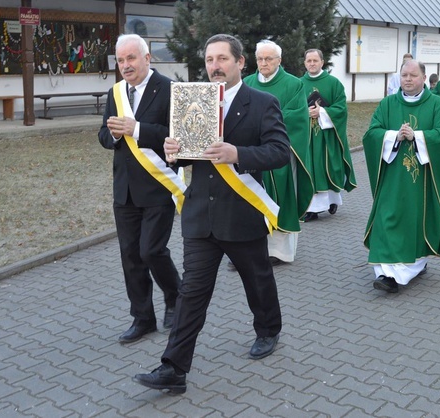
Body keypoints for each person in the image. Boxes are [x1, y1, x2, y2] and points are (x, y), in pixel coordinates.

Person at [134, 34, 291, 394]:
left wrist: (238, 153)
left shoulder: (262, 103)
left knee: (257, 279)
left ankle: (268, 329)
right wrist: (174, 150)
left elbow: (279, 152)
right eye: (209, 60)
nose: (215, 66)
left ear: (240, 63)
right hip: (201, 215)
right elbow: (190, 153)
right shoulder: (194, 100)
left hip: (241, 210)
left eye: (222, 58)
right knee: (192, 293)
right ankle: (173, 368)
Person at [98, 34, 183, 344]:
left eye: (131, 58)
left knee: (152, 250)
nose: (126, 65)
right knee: (131, 256)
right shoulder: (116, 93)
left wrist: (137, 129)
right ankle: (142, 317)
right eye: (120, 60)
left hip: (158, 186)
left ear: (148, 58)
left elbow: (178, 136)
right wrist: (116, 136)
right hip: (125, 190)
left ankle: (175, 295)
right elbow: (104, 136)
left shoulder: (169, 90)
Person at [363, 60, 440, 294]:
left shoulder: (436, 105)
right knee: (387, 217)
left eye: (413, 75)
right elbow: (372, 133)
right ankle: (386, 273)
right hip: (392, 178)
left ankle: (406, 270)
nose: (407, 79)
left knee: (414, 221)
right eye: (404, 75)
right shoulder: (387, 104)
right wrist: (394, 136)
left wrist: (417, 137)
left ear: (424, 78)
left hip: (422, 181)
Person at [244, 40, 314, 264]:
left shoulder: (294, 85)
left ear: (279, 60)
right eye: (260, 59)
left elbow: (298, 117)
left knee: (279, 197)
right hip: (251, 152)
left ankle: (278, 252)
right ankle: (245, 250)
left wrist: (263, 123)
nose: (263, 63)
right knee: (248, 198)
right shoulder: (248, 82)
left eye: (268, 59)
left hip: (278, 151)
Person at [299, 49, 357, 222]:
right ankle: (312, 208)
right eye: (308, 60)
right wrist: (305, 112)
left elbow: (341, 109)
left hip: (327, 137)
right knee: (310, 169)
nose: (312, 63)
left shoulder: (333, 83)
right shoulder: (298, 83)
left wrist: (322, 112)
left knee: (326, 168)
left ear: (322, 62)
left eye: (315, 60)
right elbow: (293, 108)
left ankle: (331, 201)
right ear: (304, 63)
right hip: (307, 137)